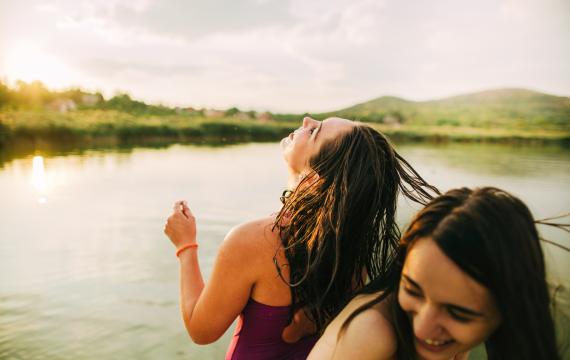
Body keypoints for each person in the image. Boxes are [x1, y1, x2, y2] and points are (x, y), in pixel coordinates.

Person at [163, 116, 438, 359]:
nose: (306, 120)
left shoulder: (254, 240)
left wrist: (185, 245)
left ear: (315, 179)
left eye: (315, 132)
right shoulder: (353, 251)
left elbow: (201, 331)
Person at [309, 187, 560, 360]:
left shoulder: (446, 341)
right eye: (412, 289)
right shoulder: (372, 332)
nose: (421, 329)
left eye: (457, 313)